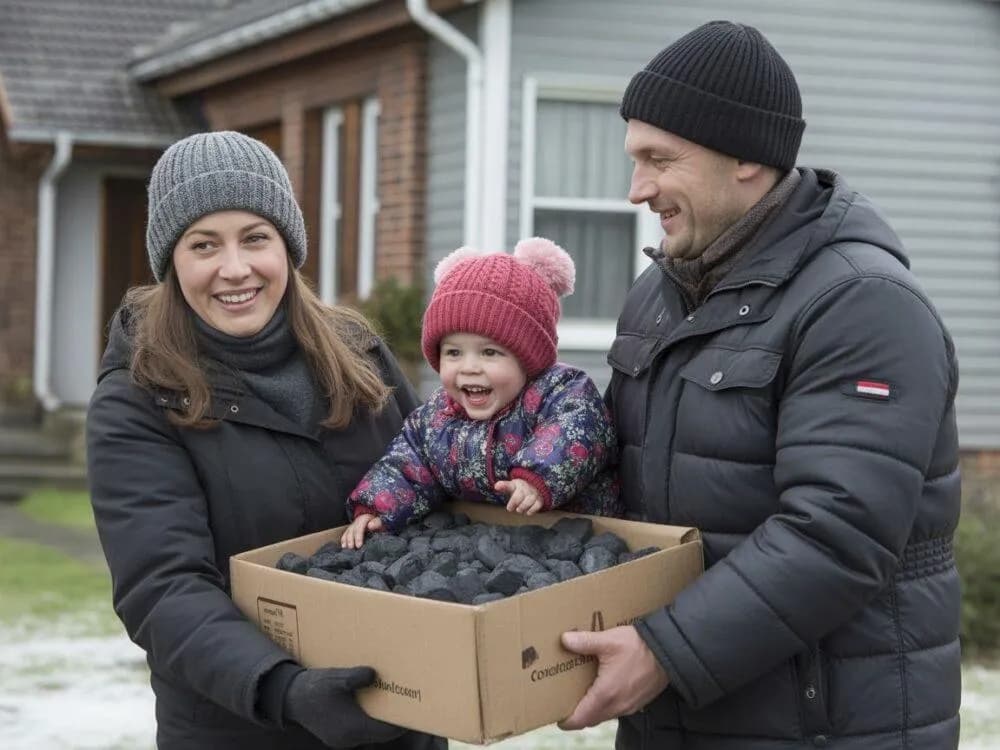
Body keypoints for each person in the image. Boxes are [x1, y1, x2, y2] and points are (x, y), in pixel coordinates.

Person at [558, 20, 961, 750]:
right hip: (678, 716)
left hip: (823, 727)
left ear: (746, 157)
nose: (636, 190)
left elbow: (838, 533)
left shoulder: (862, 304)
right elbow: (618, 475)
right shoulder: (660, 293)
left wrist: (665, 652)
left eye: (658, 160)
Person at [86, 130, 444, 750]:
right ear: (172, 261)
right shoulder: (138, 397)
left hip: (400, 716)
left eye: (255, 237)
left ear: (287, 247)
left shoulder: (359, 357)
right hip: (239, 726)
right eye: (204, 245)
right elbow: (163, 587)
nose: (235, 268)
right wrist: (283, 688)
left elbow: (433, 486)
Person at [341, 238, 621, 548]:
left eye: (489, 353)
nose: (469, 367)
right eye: (453, 353)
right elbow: (409, 464)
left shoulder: (559, 392)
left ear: (528, 359)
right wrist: (377, 508)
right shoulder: (437, 419)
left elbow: (577, 430)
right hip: (497, 543)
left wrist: (535, 479)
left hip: (578, 539)